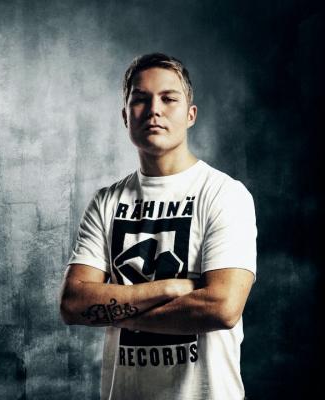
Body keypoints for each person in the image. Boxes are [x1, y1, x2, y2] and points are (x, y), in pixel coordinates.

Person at [60, 53, 257, 400]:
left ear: (190, 115)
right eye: (140, 99)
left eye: (169, 99)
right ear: (126, 116)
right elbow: (74, 303)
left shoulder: (224, 194)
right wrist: (170, 289)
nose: (154, 110)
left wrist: (116, 313)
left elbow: (223, 307)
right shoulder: (106, 202)